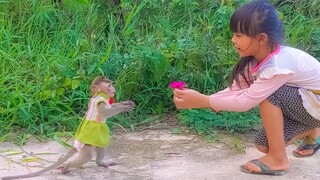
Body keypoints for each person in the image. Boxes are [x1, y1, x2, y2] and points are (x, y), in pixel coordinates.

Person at [173, 0, 320, 176]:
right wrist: (204, 99)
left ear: (262, 38)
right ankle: (313, 132)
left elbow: (246, 101)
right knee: (263, 145)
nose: (233, 40)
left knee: (269, 95)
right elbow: (235, 90)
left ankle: (278, 159)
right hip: (309, 105)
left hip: (314, 103)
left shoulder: (277, 66)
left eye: (239, 35)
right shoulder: (256, 59)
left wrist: (203, 101)